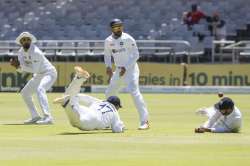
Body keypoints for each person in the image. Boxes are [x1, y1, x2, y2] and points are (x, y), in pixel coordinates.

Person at [104, 18, 149, 130]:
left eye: (120, 27)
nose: (119, 29)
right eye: (116, 27)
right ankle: (109, 120)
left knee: (134, 93)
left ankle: (145, 121)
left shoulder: (128, 38)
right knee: (109, 93)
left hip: (131, 69)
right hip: (119, 70)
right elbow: (107, 55)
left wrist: (126, 67)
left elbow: (136, 55)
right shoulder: (108, 41)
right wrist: (108, 67)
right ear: (112, 29)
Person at [53, 66, 125, 133]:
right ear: (116, 106)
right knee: (76, 122)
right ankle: (66, 104)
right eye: (119, 107)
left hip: (87, 110)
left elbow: (84, 98)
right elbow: (117, 129)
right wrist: (122, 126)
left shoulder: (100, 102)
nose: (118, 109)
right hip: (94, 119)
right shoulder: (115, 112)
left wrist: (73, 97)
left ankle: (79, 78)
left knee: (70, 98)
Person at [10, 32, 57, 124]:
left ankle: (48, 117)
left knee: (40, 89)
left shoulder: (36, 52)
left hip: (49, 73)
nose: (26, 41)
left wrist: (20, 66)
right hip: (38, 75)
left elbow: (34, 70)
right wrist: (17, 67)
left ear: (31, 41)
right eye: (23, 40)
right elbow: (21, 70)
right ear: (20, 42)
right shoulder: (20, 52)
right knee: (25, 93)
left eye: (28, 39)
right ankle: (35, 116)